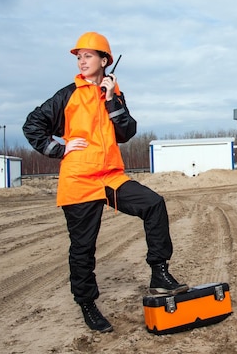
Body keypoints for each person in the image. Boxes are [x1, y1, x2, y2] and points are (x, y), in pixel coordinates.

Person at [23, 31, 188, 333]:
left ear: (104, 60)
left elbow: (126, 132)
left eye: (88, 56)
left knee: (153, 204)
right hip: (79, 181)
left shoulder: (113, 93)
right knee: (83, 247)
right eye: (79, 57)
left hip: (111, 177)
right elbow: (32, 124)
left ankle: (159, 272)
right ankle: (87, 303)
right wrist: (59, 148)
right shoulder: (67, 95)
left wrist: (111, 100)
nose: (81, 61)